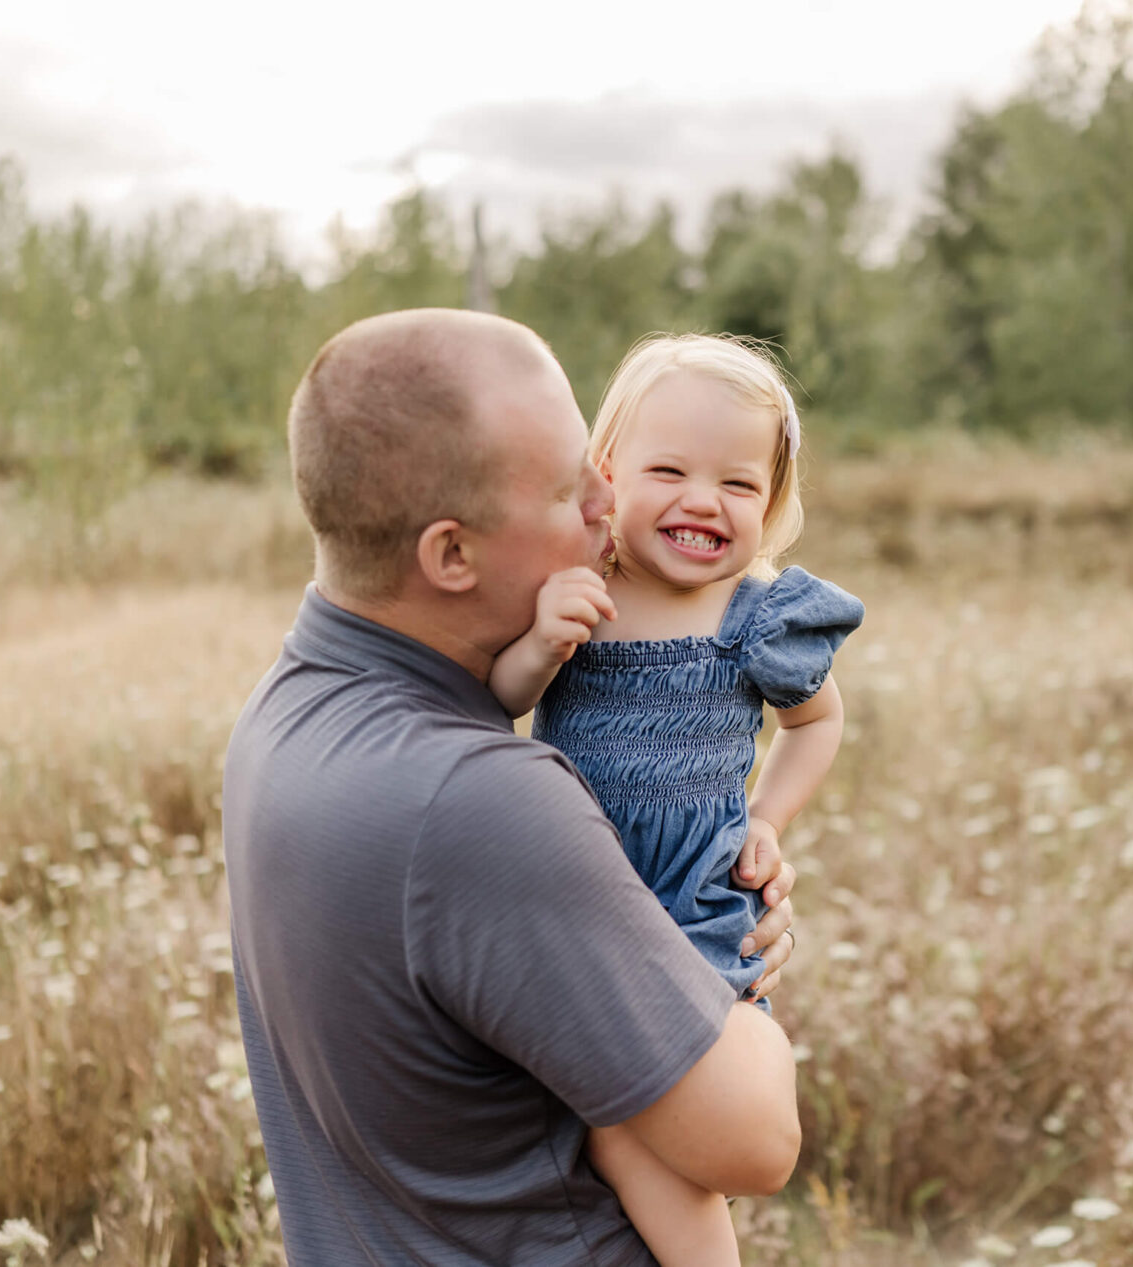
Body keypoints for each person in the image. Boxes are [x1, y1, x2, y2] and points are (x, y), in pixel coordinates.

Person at [224, 310, 802, 1266]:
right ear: (452, 554)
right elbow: (757, 1139)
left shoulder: (288, 708)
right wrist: (725, 971)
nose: (603, 506)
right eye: (567, 488)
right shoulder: (479, 803)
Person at [489, 334, 863, 1265]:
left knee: (643, 1120)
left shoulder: (755, 617)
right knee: (596, 1117)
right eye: (669, 470)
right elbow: (495, 704)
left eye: (739, 484)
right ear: (606, 472)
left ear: (772, 504)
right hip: (582, 883)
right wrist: (539, 647)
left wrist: (768, 822)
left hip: (696, 898)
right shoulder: (579, 588)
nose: (704, 500)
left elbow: (817, 724)